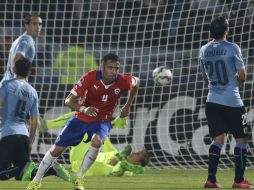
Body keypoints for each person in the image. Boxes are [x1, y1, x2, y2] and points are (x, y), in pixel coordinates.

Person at [27, 53, 140, 190]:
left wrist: (127, 106)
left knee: (97, 141)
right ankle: (36, 180)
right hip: (81, 118)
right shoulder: (89, 77)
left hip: (102, 121)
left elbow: (136, 82)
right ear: (102, 67)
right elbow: (68, 100)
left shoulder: (122, 80)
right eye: (110, 68)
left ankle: (79, 178)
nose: (114, 72)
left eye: (116, 68)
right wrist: (84, 109)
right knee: (57, 150)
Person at [199, 16, 253, 188]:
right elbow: (242, 76)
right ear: (226, 31)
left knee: (218, 141)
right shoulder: (232, 48)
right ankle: (238, 180)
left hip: (212, 101)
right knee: (241, 140)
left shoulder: (204, 49)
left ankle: (211, 179)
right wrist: (232, 83)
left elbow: (204, 76)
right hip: (233, 102)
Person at [0, 58, 70, 182]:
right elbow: (35, 122)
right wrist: (30, 142)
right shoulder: (32, 92)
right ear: (30, 72)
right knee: (22, 176)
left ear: (14, 69)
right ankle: (51, 169)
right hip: (23, 135)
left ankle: (25, 167)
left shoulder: (6, 85)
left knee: (5, 173)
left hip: (7, 134)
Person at [38, 113, 148, 176]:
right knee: (88, 120)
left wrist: (120, 157)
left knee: (82, 117)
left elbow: (112, 162)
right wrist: (113, 123)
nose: (134, 152)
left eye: (137, 154)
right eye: (137, 151)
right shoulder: (115, 152)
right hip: (89, 154)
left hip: (83, 163)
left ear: (137, 164)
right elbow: (104, 139)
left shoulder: (128, 173)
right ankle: (46, 125)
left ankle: (47, 125)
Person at [1, 13, 42, 82]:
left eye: (39, 24)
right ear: (27, 26)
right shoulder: (27, 40)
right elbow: (17, 59)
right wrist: (18, 84)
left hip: (7, 84)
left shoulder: (20, 39)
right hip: (13, 87)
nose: (38, 27)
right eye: (34, 24)